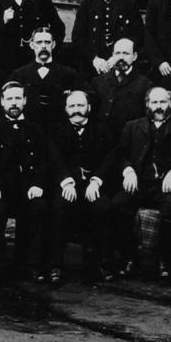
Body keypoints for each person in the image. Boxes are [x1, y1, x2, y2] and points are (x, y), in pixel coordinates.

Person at [114, 86, 171, 280]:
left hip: (164, 187)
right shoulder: (132, 126)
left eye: (163, 102)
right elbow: (120, 154)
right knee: (117, 206)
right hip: (138, 183)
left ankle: (165, 262)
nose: (159, 106)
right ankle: (129, 258)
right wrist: (128, 170)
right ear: (147, 104)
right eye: (154, 102)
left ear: (170, 104)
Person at [0, 81, 51, 284]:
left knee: (39, 207)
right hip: (1, 188)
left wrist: (38, 184)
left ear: (25, 101)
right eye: (9, 99)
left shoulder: (36, 130)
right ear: (2, 102)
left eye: (17, 98)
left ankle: (31, 265)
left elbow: (44, 161)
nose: (13, 103)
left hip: (28, 187)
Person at [47, 90, 116, 283]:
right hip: (66, 185)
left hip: (92, 186)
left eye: (80, 105)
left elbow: (110, 156)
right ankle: (55, 265)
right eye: (72, 106)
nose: (76, 110)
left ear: (89, 108)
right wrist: (66, 181)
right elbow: (54, 158)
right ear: (66, 109)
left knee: (103, 207)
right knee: (59, 207)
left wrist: (96, 181)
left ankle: (100, 263)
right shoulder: (56, 130)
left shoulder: (101, 130)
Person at [72, 0, 145, 77]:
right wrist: (94, 58)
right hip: (91, 68)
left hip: (121, 67)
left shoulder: (130, 5)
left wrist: (117, 58)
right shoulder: (87, 4)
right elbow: (78, 37)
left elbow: (138, 36)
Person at [10, 27, 82, 130]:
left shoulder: (69, 74)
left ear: (53, 44)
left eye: (47, 42)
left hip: (60, 132)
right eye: (39, 42)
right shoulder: (18, 75)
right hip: (27, 132)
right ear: (31, 45)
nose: (43, 46)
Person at [90, 37, 152, 138]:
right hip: (103, 140)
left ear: (135, 56)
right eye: (117, 53)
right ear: (112, 55)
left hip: (131, 139)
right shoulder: (98, 82)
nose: (121, 57)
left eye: (126, 53)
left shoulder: (145, 84)